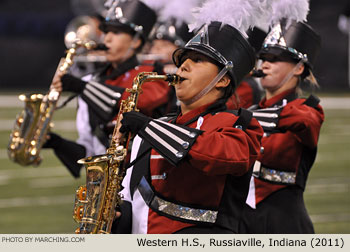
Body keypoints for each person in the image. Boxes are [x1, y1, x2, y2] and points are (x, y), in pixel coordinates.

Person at [111, 19, 264, 234]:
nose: (183, 65)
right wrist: (117, 219)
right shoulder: (155, 129)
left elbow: (220, 155)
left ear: (222, 80)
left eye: (198, 60)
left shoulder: (240, 123)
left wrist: (149, 127)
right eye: (183, 59)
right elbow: (134, 202)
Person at [43, 0, 170, 178]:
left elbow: (141, 101)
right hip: (105, 184)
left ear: (135, 41)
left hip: (144, 182)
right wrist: (57, 143)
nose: (107, 38)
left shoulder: (152, 73)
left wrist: (84, 88)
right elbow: (91, 151)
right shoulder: (96, 79)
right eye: (107, 31)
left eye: (116, 32)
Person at [239, 20, 325, 233]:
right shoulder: (248, 110)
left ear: (299, 67)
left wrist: (252, 117)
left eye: (275, 59)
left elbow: (305, 121)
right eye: (263, 58)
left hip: (285, 223)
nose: (264, 65)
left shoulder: (308, 109)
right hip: (242, 221)